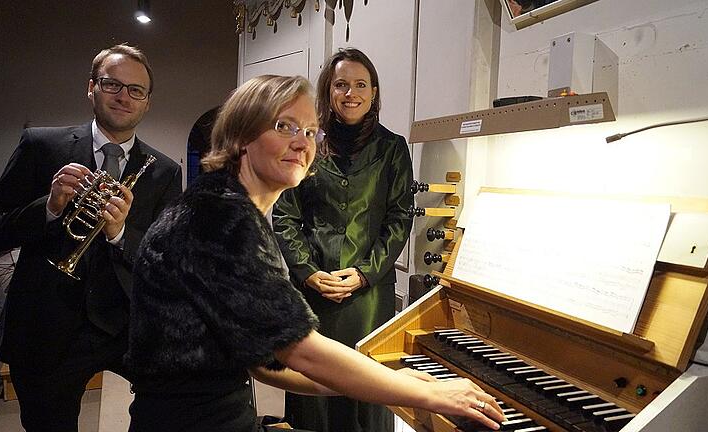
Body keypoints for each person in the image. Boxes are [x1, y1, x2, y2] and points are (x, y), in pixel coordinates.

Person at [125, 74, 504, 432]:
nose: (302, 142)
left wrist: (379, 380)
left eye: (309, 131)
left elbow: (263, 364)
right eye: (284, 126)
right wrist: (433, 392)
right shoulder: (219, 217)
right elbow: (299, 350)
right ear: (241, 135)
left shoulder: (224, 205)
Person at [0, 43, 182, 431]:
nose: (124, 97)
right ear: (91, 88)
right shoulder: (41, 145)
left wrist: (121, 234)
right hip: (47, 327)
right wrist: (49, 208)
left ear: (147, 102)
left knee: (177, 405)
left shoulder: (163, 171)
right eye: (112, 85)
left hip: (124, 326)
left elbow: (167, 260)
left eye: (136, 90)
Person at [272, 48, 413, 432]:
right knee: (311, 397)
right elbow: (285, 214)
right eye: (341, 85)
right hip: (311, 292)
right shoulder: (305, 144)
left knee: (368, 395)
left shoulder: (393, 148)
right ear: (328, 92)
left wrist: (365, 274)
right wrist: (307, 271)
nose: (351, 93)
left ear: (374, 92)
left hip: (369, 297)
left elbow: (399, 218)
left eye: (360, 85)